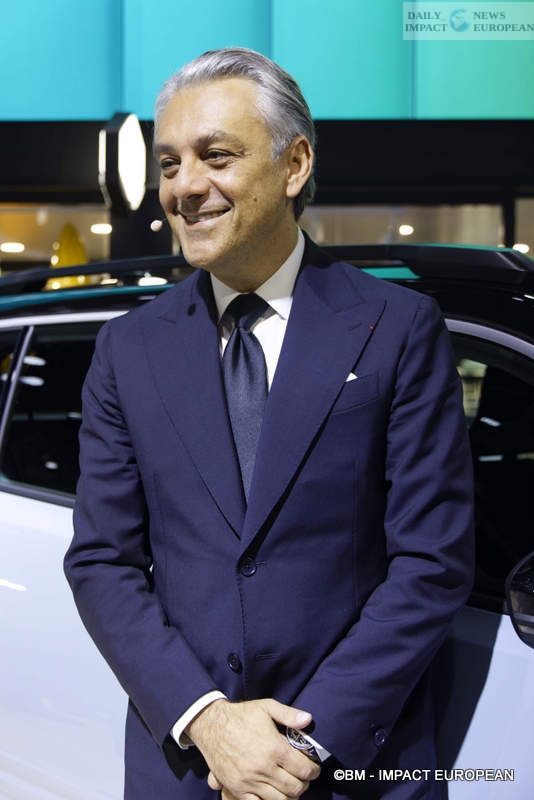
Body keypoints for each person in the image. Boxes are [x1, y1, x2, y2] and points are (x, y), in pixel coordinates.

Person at [64, 47, 474, 800]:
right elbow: (102, 562)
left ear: (295, 165)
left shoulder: (396, 326)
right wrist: (209, 722)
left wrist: (300, 747)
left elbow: (432, 561)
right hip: (191, 767)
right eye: (169, 163)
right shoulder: (129, 348)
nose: (185, 186)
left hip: (352, 768)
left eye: (215, 155)